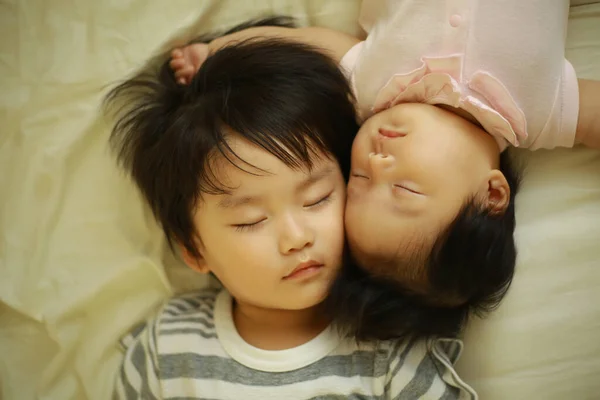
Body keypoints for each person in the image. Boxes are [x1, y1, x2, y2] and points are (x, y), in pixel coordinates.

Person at [171, 1, 600, 342]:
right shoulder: (542, 111)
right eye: (405, 189)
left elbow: (301, 44)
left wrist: (218, 51)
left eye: (357, 179)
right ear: (492, 194)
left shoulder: (369, 87)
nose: (375, 162)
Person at [106, 17, 477, 400]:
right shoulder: (164, 350)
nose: (296, 238)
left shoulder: (391, 353)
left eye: (317, 199)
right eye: (250, 221)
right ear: (194, 249)